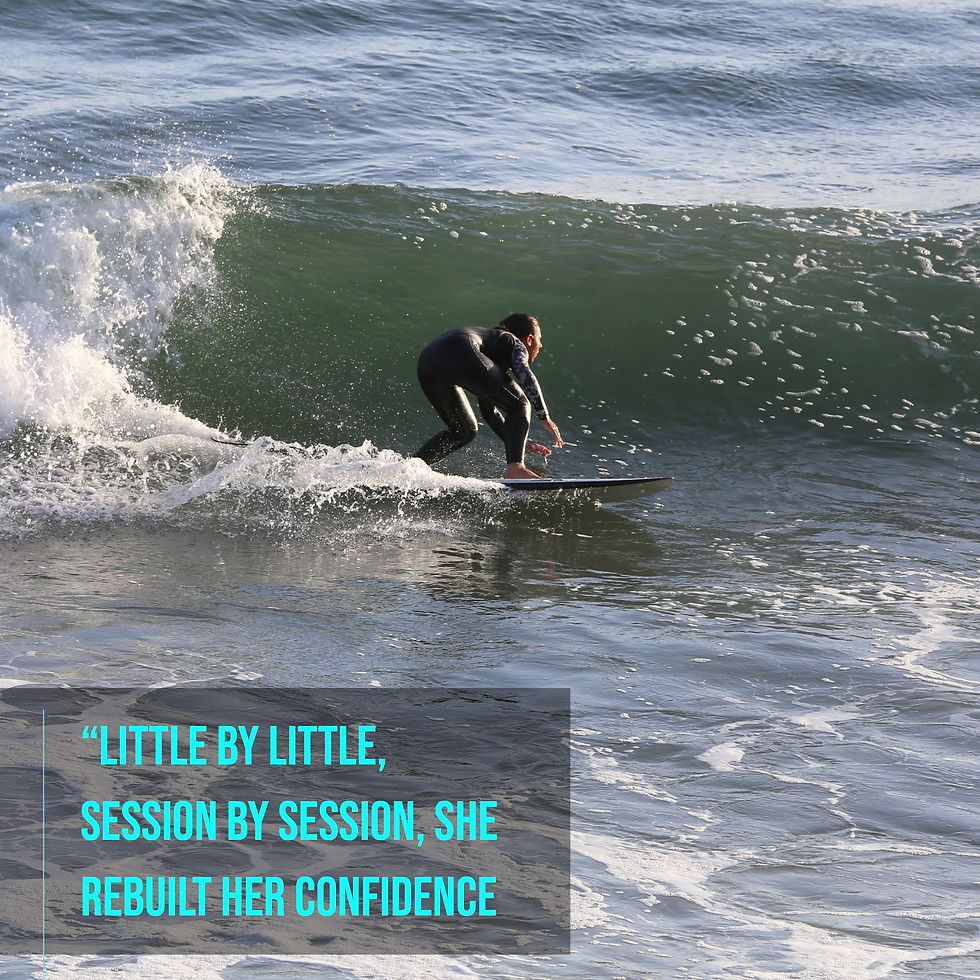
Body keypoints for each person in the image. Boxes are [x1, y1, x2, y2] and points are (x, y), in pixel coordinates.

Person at [413, 313, 564, 479]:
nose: (540, 345)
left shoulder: (490, 352)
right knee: (520, 403)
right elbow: (525, 375)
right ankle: (515, 469)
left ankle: (410, 469)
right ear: (529, 339)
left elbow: (489, 411)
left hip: (428, 360)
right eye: (539, 339)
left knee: (464, 430)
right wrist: (544, 415)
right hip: (461, 348)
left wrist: (518, 443)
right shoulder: (514, 342)